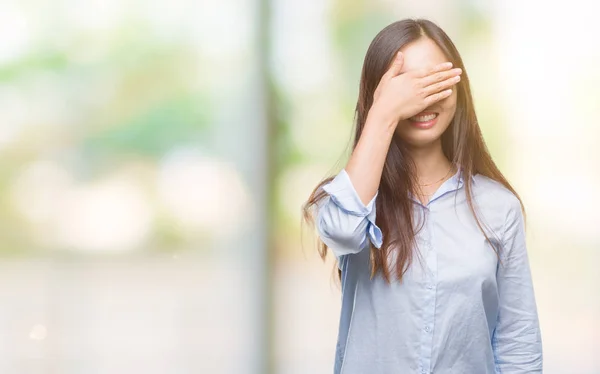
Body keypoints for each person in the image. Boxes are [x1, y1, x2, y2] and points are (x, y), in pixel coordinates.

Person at [303, 19, 543, 374]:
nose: (422, 97)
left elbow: (518, 343)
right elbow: (342, 230)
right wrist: (383, 112)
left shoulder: (497, 207)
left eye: (435, 82)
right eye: (407, 86)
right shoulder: (349, 198)